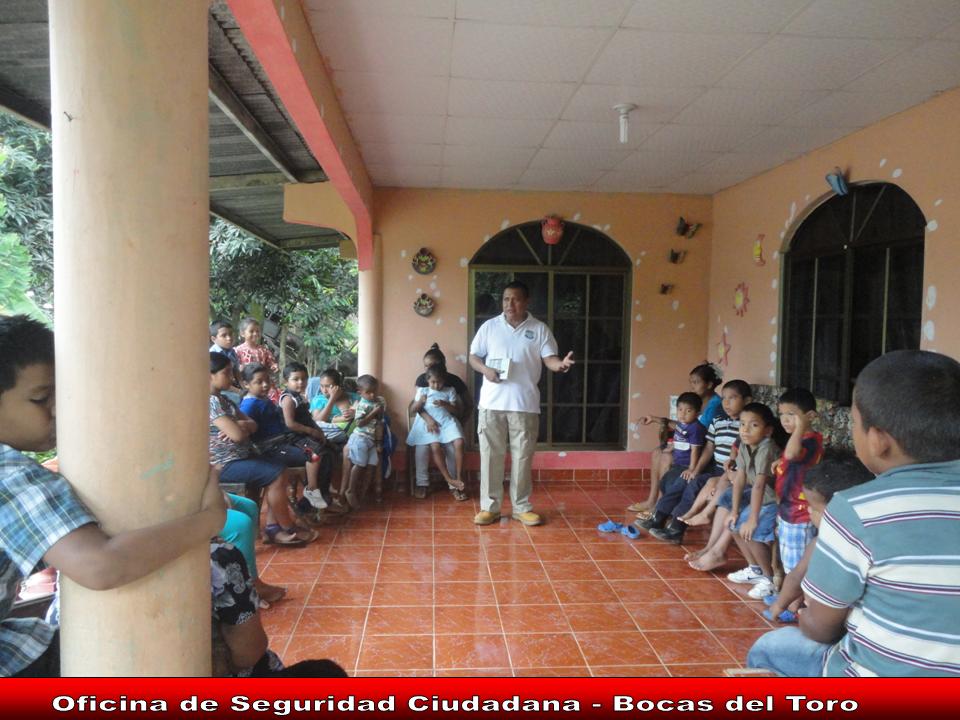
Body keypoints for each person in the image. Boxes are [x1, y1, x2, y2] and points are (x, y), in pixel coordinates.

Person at [0, 315, 226, 677]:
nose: (59, 409)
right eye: (41, 398)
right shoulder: (11, 474)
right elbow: (100, 566)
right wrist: (209, 520)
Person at [751, 350, 960, 677]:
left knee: (770, 647)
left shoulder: (857, 508)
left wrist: (804, 614)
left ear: (877, 440)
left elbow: (821, 628)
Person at [468, 281, 575, 527]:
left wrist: (560, 365)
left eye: (515, 299)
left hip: (524, 404)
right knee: (490, 457)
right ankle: (489, 508)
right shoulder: (489, 327)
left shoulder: (539, 329)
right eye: (506, 299)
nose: (510, 304)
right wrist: (485, 370)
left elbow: (550, 359)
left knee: (522, 458)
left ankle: (521, 507)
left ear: (526, 302)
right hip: (491, 404)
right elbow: (474, 356)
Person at [209, 353, 318, 545]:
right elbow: (238, 435)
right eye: (226, 373)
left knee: (278, 468)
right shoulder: (210, 402)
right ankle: (285, 527)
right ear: (209, 375)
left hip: (240, 457)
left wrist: (240, 424)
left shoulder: (225, 400)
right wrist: (240, 427)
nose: (232, 377)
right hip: (224, 464)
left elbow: (252, 425)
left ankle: (273, 527)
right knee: (276, 473)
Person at [761, 451, 872, 624]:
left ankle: (791, 608)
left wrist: (778, 607)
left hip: (831, 623)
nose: (809, 511)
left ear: (840, 508)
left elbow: (796, 577)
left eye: (815, 508)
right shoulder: (871, 538)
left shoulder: (820, 543)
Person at [644, 380, 751, 546]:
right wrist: (695, 470)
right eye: (724, 398)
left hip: (732, 472)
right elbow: (709, 447)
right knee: (686, 479)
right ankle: (658, 517)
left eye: (732, 398)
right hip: (714, 468)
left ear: (747, 400)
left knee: (693, 488)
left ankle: (676, 528)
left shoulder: (746, 426)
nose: (726, 403)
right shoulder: (718, 420)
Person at [687, 402, 781, 589]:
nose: (745, 429)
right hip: (759, 499)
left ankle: (768, 578)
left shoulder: (767, 448)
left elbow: (759, 485)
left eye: (754, 425)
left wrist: (752, 519)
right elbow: (739, 479)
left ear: (768, 430)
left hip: (773, 502)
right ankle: (755, 569)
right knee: (733, 524)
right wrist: (735, 511)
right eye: (742, 424)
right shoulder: (745, 445)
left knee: (751, 532)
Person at [627, 363, 723, 515]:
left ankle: (660, 507)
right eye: (691, 382)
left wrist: (662, 423)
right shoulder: (695, 401)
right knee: (657, 453)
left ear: (709, 384)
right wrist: (657, 420)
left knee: (666, 458)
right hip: (688, 445)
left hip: (701, 450)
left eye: (696, 382)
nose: (692, 386)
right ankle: (651, 500)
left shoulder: (715, 405)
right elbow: (685, 427)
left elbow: (698, 433)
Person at [239, 363, 329, 513]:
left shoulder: (263, 399)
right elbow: (244, 428)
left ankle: (314, 497)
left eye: (267, 380)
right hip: (270, 450)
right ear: (246, 384)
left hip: (282, 443)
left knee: (321, 450)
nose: (265, 385)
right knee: (313, 454)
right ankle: (312, 489)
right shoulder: (249, 405)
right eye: (259, 382)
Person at [633, 391, 705, 541]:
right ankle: (659, 517)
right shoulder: (681, 425)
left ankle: (658, 519)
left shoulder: (696, 428)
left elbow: (695, 450)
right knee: (664, 483)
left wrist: (692, 468)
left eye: (688, 411)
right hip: (678, 464)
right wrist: (672, 447)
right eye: (680, 409)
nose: (683, 414)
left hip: (687, 466)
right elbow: (680, 438)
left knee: (676, 487)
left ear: (698, 413)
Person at [410, 344, 473, 499]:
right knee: (422, 448)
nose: (428, 369)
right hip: (426, 420)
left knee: (452, 447)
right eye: (426, 366)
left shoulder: (454, 381)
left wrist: (461, 422)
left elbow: (467, 404)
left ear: (442, 364)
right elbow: (417, 406)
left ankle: (455, 484)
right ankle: (422, 483)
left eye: (432, 365)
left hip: (447, 421)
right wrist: (429, 420)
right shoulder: (423, 379)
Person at [772, 388, 823, 576]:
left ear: (810, 416)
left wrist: (800, 427)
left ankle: (794, 595)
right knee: (788, 557)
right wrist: (781, 462)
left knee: (796, 567)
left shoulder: (810, 441)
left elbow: (793, 454)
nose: (784, 420)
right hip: (788, 507)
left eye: (791, 415)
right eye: (781, 414)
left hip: (799, 512)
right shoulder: (799, 439)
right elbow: (791, 458)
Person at [280, 362, 337, 510]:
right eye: (296, 379)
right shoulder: (288, 399)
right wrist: (311, 431)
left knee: (330, 451)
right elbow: (290, 424)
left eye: (304, 379)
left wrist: (319, 431)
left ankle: (324, 492)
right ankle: (312, 489)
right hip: (294, 438)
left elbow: (309, 419)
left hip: (305, 435)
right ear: (286, 381)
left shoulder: (301, 397)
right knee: (315, 453)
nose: (301, 382)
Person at [340, 375, 384, 509]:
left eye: (374, 391)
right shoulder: (362, 405)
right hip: (360, 438)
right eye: (369, 392)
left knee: (372, 464)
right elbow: (359, 423)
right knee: (359, 464)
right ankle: (350, 490)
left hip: (370, 440)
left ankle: (362, 495)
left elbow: (379, 421)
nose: (372, 395)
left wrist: (379, 411)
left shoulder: (377, 402)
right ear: (360, 392)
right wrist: (373, 412)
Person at [234, 317, 280, 404]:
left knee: (273, 398)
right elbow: (236, 370)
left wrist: (274, 366)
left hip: (264, 382)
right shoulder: (237, 351)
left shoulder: (264, 350)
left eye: (257, 331)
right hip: (248, 384)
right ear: (242, 333)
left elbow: (271, 362)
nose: (255, 334)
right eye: (251, 331)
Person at [310, 368, 359, 447]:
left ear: (338, 386)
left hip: (351, 433)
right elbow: (318, 421)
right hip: (329, 434)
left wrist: (356, 413)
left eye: (328, 386)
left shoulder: (354, 398)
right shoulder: (318, 400)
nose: (324, 390)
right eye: (322, 386)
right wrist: (332, 398)